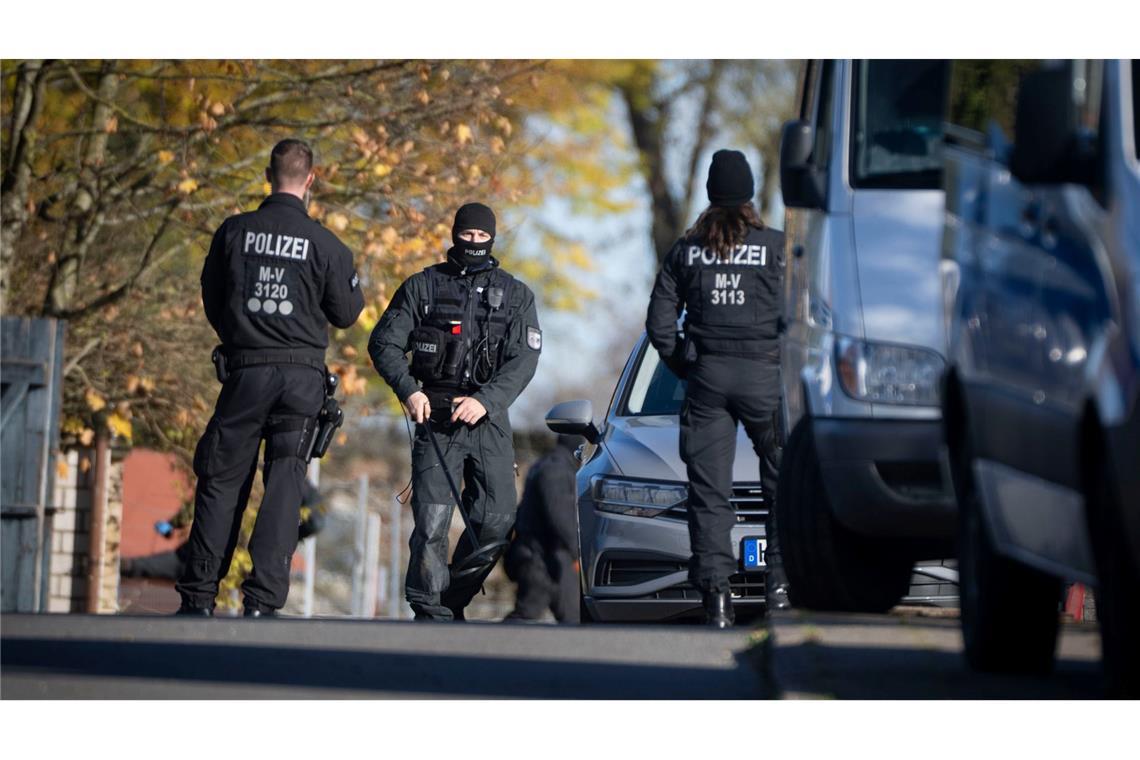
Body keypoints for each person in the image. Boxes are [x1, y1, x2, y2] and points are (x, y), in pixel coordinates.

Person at [175, 139, 364, 617]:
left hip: (246, 373)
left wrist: (240, 337)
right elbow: (346, 313)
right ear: (311, 179)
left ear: (267, 174)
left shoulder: (234, 232)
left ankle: (199, 597)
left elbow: (213, 297)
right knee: (285, 483)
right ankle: (260, 601)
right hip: (300, 381)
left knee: (221, 480)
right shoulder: (325, 244)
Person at [368, 202, 541, 621]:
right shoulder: (422, 287)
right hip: (435, 417)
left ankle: (451, 597)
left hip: (489, 418)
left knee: (496, 521)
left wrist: (486, 400)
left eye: (482, 237)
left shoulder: (517, 295)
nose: (474, 243)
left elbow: (524, 361)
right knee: (431, 523)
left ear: (492, 239)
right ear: (455, 234)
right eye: (468, 235)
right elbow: (384, 344)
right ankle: (429, 610)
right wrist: (409, 391)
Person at [645, 149, 789, 628]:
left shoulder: (687, 250)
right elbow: (804, 314)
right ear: (748, 194)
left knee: (710, 494)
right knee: (782, 483)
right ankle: (780, 588)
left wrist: (687, 362)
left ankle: (718, 599)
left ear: (710, 194)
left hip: (708, 379)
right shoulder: (776, 247)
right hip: (765, 378)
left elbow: (659, 324)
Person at [123, 481, 325, 582]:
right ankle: (125, 566)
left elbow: (315, 521)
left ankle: (127, 566)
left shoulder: (290, 487)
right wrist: (173, 525)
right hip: (215, 549)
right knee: (180, 565)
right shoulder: (275, 478)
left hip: (224, 552)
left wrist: (172, 526)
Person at [503, 434, 582, 623]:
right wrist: (578, 552)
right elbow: (560, 516)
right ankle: (487, 646)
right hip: (543, 559)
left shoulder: (545, 464)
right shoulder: (557, 470)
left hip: (538, 555)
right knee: (529, 614)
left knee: (570, 618)